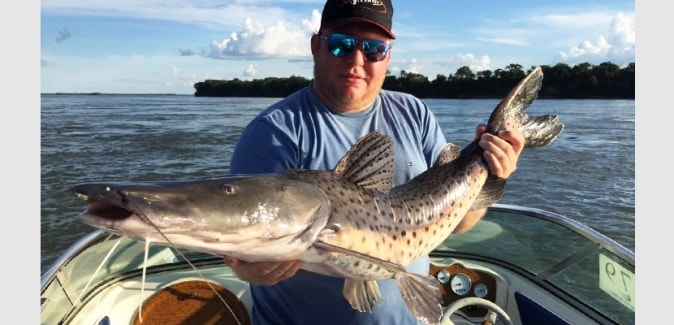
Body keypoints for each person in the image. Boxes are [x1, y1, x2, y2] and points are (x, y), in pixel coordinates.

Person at [225, 0, 524, 323]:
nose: (356, 61)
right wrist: (253, 270)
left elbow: (461, 223)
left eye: (373, 49)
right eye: (341, 45)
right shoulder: (274, 132)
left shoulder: (414, 113)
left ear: (388, 56)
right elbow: (245, 247)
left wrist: (494, 173)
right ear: (316, 46)